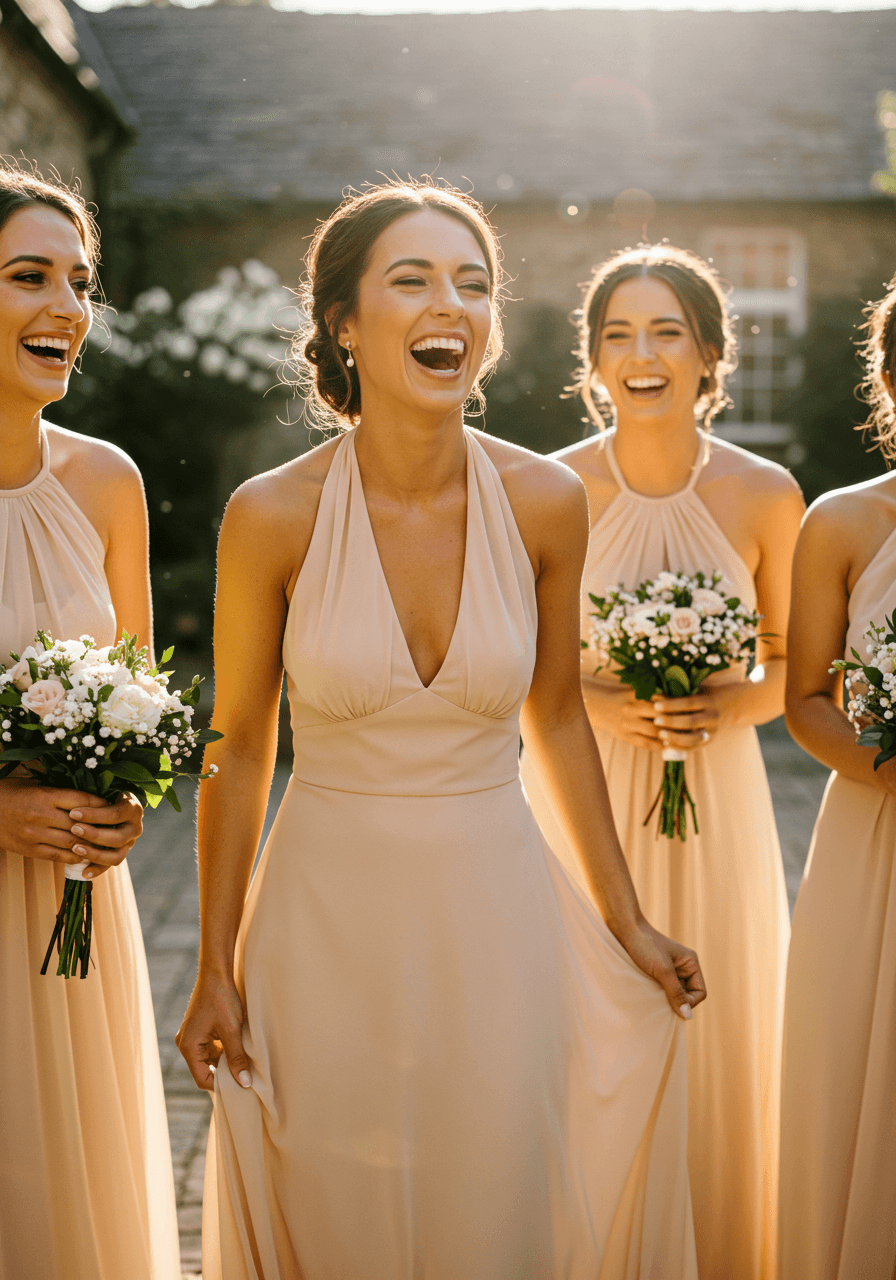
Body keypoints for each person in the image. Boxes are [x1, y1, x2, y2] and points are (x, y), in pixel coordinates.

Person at [176, 181, 706, 1279]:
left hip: (494, 905)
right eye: (412, 279)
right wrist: (212, 965)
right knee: (334, 1200)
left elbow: (556, 718)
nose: (450, 306)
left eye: (474, 284)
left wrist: (625, 919)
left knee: (495, 1191)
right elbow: (237, 741)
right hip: (323, 913)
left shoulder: (545, 501)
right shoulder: (269, 513)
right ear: (342, 322)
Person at [520, 243, 804, 1280]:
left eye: (664, 331)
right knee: (582, 1022)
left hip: (716, 793)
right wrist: (606, 700)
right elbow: (520, 670)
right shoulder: (546, 488)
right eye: (616, 334)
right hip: (576, 791)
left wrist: (722, 704)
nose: (639, 354)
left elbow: (791, 664)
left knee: (718, 1027)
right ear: (591, 361)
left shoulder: (767, 494)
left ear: (708, 354)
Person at [0, 165, 180, 1279]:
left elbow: (138, 699)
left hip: (70, 910)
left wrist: (124, 806)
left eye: (81, 281)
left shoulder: (107, 483)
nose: (68, 306)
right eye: (30, 276)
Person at [778, 273, 896, 1279]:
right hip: (875, 829)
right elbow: (803, 698)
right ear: (888, 381)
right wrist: (883, 767)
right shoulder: (843, 521)